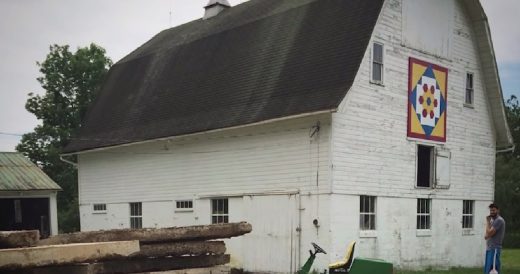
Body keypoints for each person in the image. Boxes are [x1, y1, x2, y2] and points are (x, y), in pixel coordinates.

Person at [484, 203, 506, 274]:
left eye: (493, 210)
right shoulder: (493, 220)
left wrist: (487, 221)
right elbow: (487, 235)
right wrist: (488, 234)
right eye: (491, 211)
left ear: (498, 210)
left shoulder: (499, 220)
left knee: (493, 271)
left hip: (494, 249)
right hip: (490, 248)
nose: (492, 212)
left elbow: (489, 233)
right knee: (488, 271)